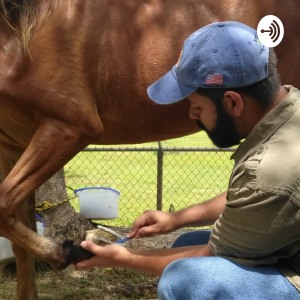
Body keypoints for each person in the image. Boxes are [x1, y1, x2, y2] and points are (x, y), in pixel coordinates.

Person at [75, 21, 300, 299]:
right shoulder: (291, 110)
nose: (193, 116)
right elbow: (251, 196)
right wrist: (176, 219)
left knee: (185, 279)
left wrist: (122, 257)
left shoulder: (271, 168)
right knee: (186, 242)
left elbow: (262, 188)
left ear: (233, 102)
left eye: (197, 107)